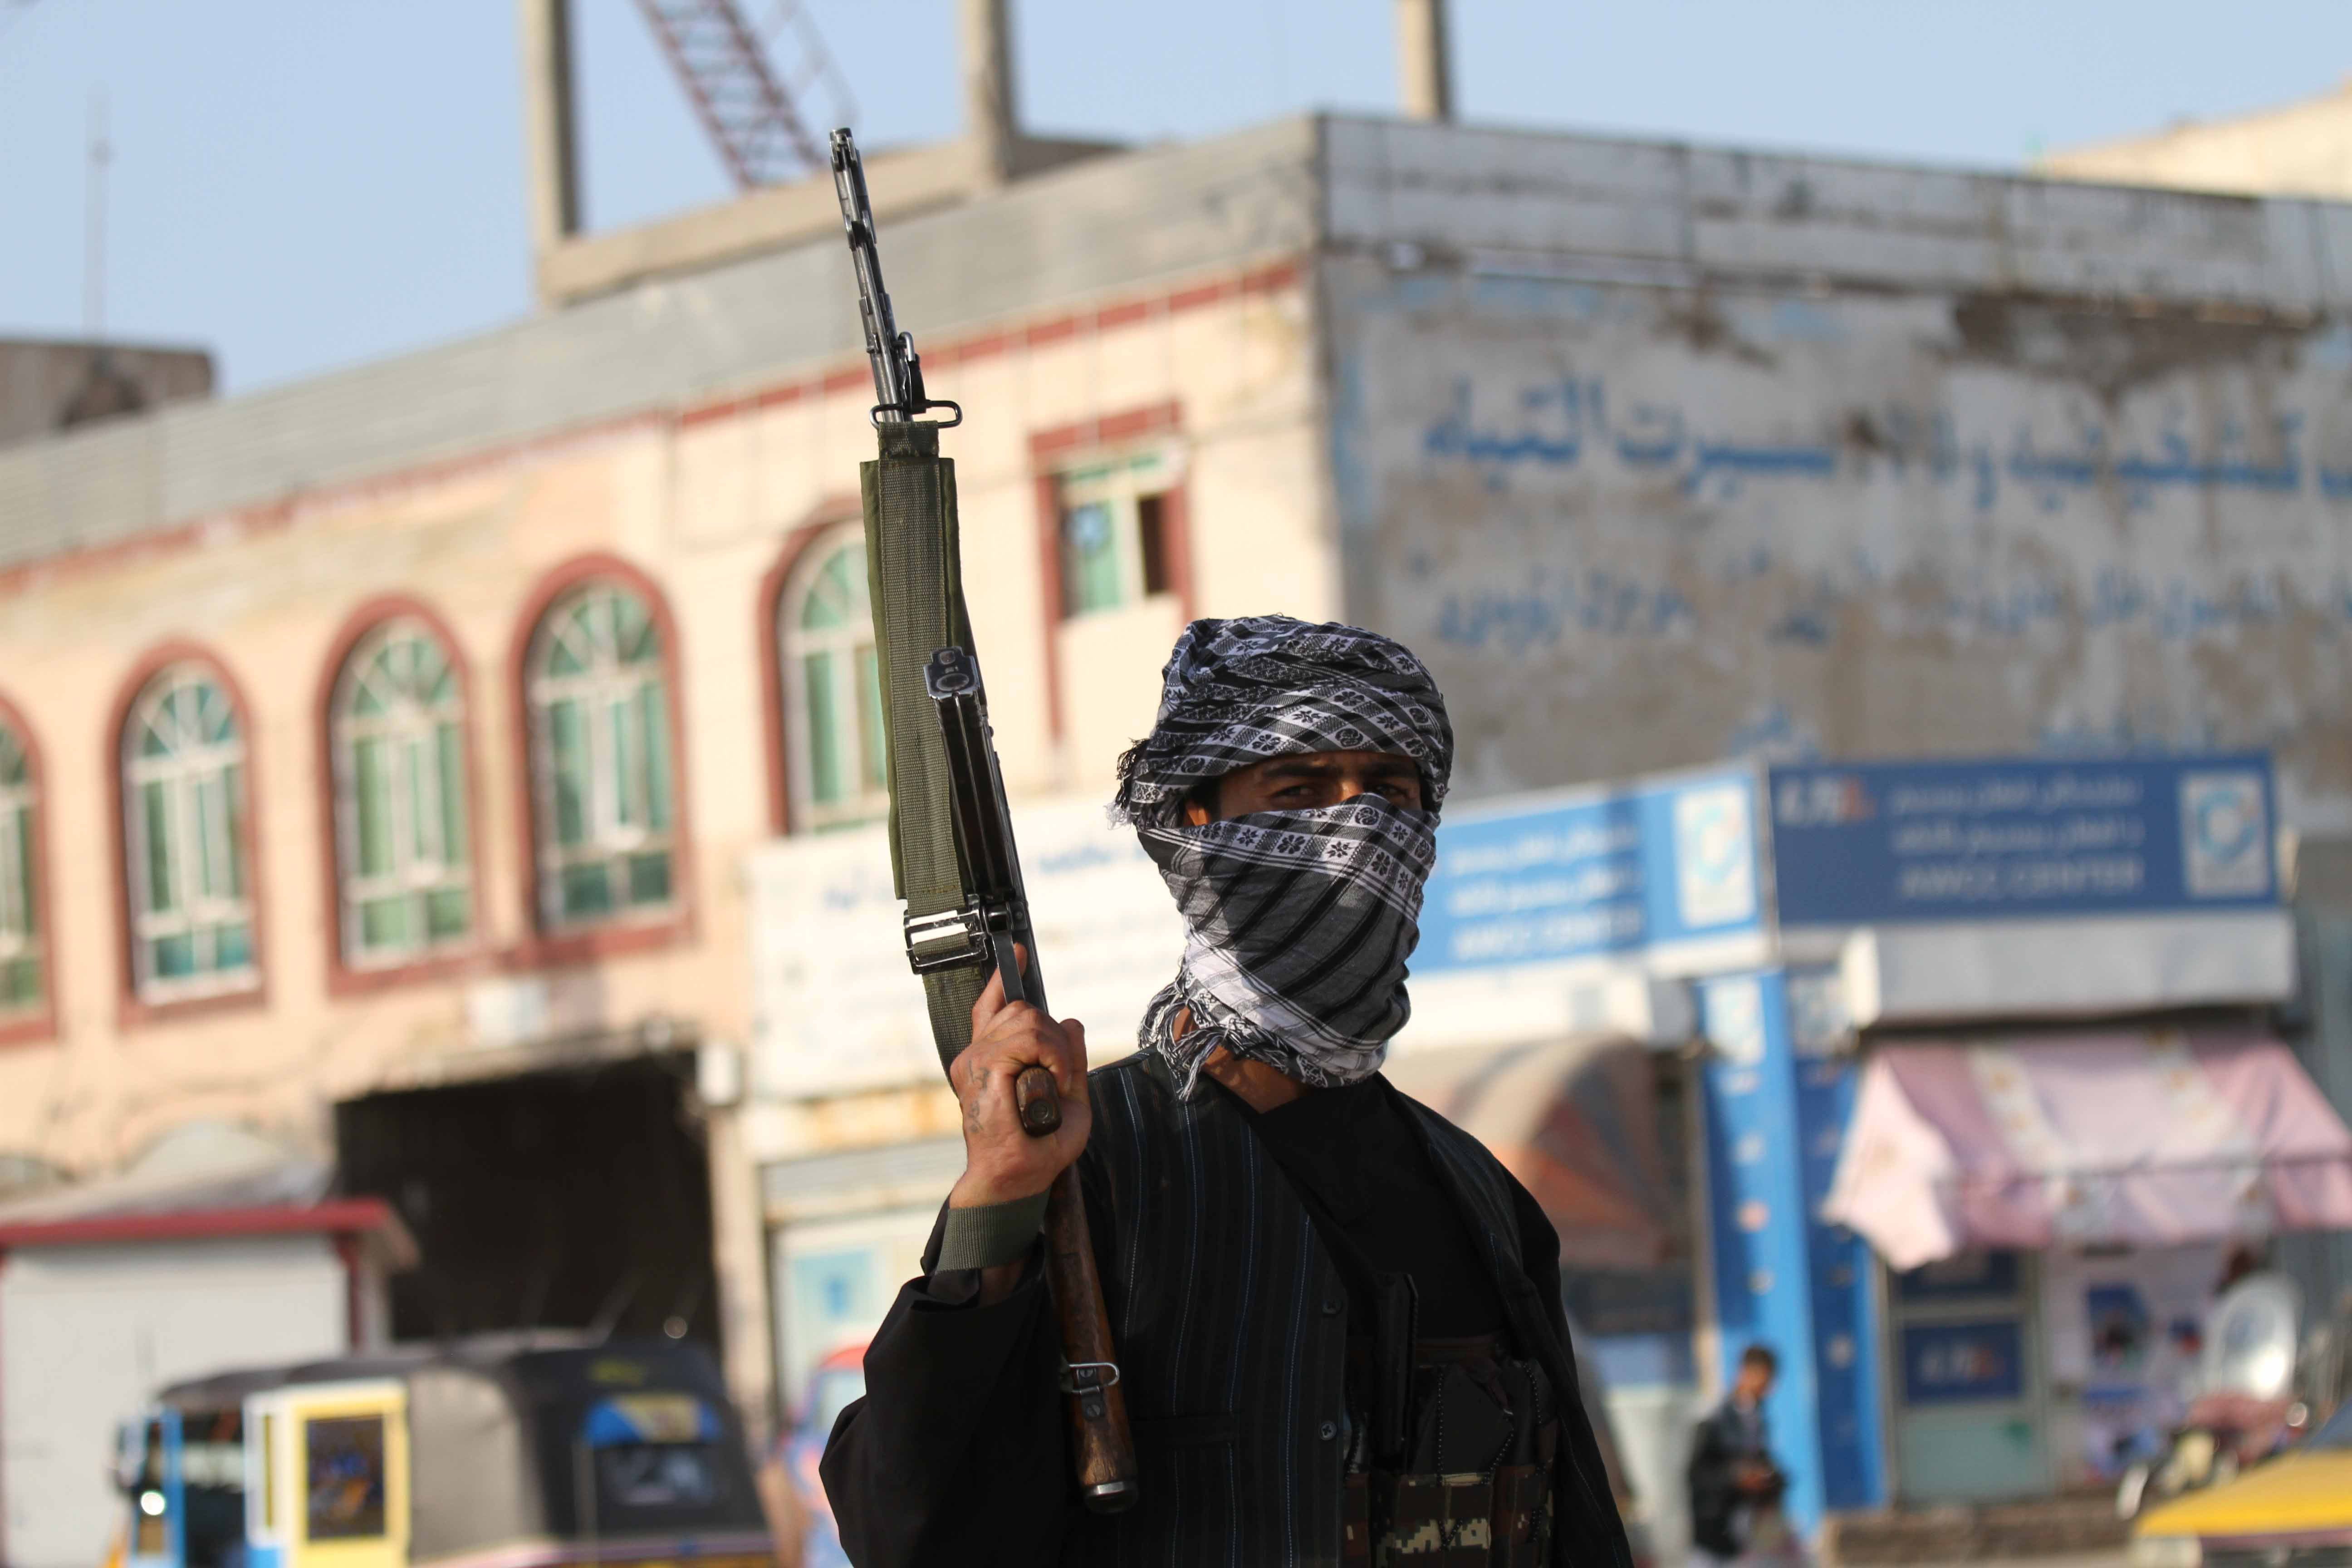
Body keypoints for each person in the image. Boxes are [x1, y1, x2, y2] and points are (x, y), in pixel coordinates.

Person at [821, 616, 1634, 1566]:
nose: (1356, 828)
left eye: (1391, 792)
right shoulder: (1088, 1168)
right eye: (1298, 792)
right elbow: (908, 1528)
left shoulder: (1480, 1198)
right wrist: (997, 1201)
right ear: (1193, 824)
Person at [1686, 1344, 1790, 1568]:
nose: (1766, 1387)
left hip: (1744, 1534)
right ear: (1746, 1372)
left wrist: (1771, 1481)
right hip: (1713, 1537)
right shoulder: (1714, 1418)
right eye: (1763, 1377)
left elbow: (1762, 1462)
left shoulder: (1757, 1418)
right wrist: (1736, 1479)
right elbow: (1697, 1475)